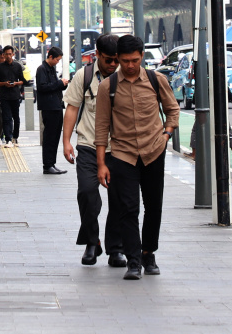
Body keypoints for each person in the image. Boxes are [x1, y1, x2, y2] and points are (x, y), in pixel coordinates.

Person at [95, 35, 179, 280]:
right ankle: (133, 261)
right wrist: (101, 164)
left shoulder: (156, 80)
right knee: (128, 208)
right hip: (123, 154)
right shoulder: (107, 87)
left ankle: (148, 253)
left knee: (153, 206)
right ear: (118, 59)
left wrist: (166, 134)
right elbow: (101, 127)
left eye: (134, 60)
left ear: (142, 56)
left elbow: (172, 109)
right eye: (125, 61)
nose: (130, 65)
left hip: (154, 151)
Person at [62, 33, 126, 268]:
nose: (113, 64)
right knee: (87, 193)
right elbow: (72, 108)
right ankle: (92, 242)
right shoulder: (85, 75)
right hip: (88, 145)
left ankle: (116, 248)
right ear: (97, 54)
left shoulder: (125, 75)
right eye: (108, 60)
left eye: (117, 59)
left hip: (119, 148)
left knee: (119, 198)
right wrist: (66, 141)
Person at [36, 46, 69, 174]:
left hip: (56, 105)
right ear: (50, 57)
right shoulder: (42, 69)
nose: (58, 62)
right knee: (49, 136)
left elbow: (53, 87)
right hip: (49, 107)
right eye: (57, 59)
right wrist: (59, 83)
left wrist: (63, 84)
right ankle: (47, 165)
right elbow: (42, 87)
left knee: (55, 136)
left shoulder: (51, 69)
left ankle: (52, 163)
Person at [0, 45, 26, 146]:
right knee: (6, 117)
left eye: (10, 54)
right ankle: (8, 139)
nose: (8, 56)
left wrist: (16, 83)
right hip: (4, 96)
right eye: (6, 54)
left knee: (16, 117)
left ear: (13, 54)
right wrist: (4, 83)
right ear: (3, 54)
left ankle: (15, 137)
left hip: (15, 95)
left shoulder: (17, 66)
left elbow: (22, 81)